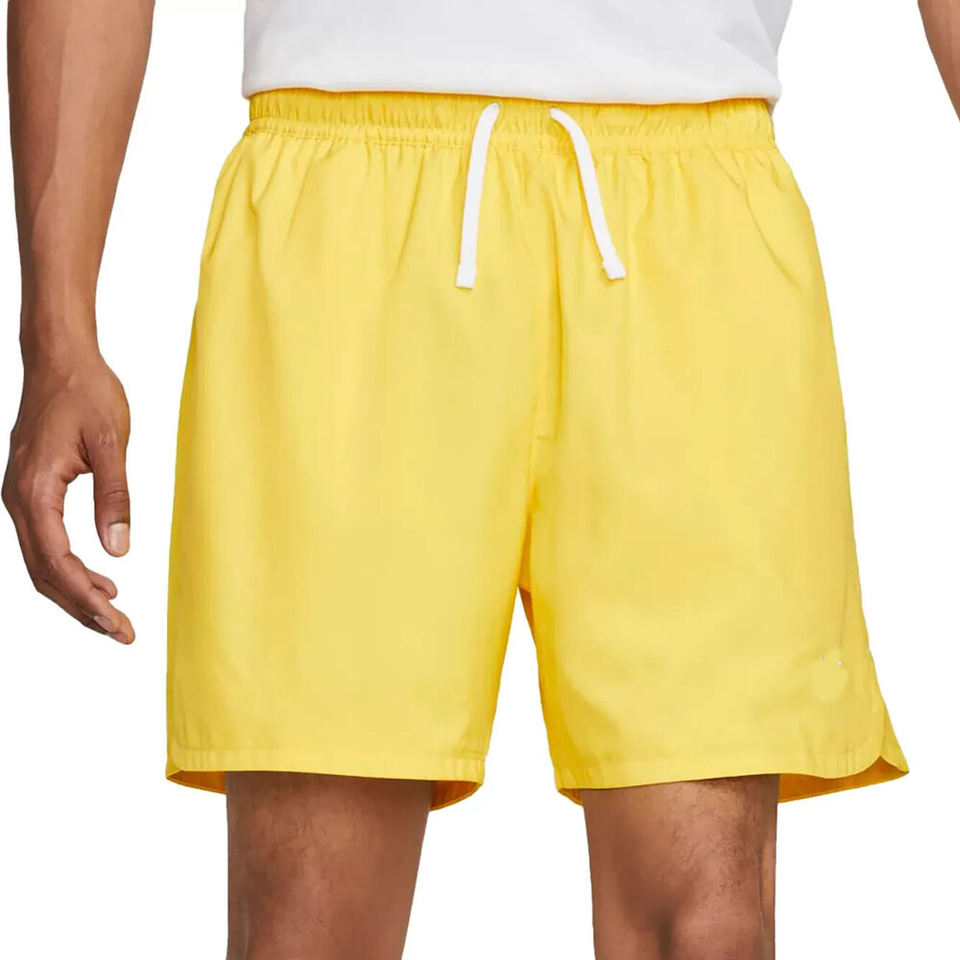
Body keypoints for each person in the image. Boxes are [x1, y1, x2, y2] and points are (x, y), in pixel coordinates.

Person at [3, 2, 956, 957]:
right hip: (344, 213)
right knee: (309, 926)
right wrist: (57, 334)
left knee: (708, 928)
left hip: (696, 217)